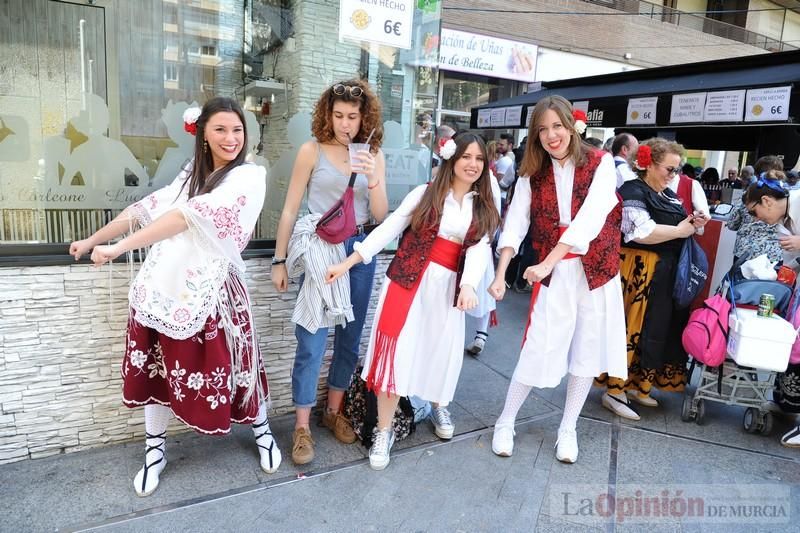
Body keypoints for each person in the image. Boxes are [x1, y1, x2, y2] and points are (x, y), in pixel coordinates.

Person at [68, 97, 282, 496]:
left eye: (237, 130)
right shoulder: (190, 175)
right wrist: (94, 239)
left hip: (215, 289)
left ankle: (263, 432)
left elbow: (186, 217)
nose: (230, 138)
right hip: (164, 286)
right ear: (201, 134)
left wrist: (117, 249)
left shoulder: (250, 177)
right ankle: (154, 450)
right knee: (157, 367)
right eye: (220, 129)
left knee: (239, 364)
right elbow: (147, 208)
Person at [325, 133, 500, 469]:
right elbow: (389, 227)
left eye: (479, 159)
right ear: (452, 158)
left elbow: (478, 251)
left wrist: (468, 286)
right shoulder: (425, 195)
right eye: (466, 156)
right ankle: (384, 430)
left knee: (439, 350)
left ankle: (437, 404)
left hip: (449, 290)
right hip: (408, 283)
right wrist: (349, 262)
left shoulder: (483, 207)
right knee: (398, 355)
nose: (472, 164)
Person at [488, 96, 627, 464]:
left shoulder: (601, 163)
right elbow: (515, 222)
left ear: (571, 125)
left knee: (586, 349)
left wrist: (547, 262)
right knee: (539, 346)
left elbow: (590, 220)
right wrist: (501, 273)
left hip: (595, 271)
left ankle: (568, 428)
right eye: (543, 129)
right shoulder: (533, 172)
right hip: (556, 275)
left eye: (557, 126)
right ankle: (506, 420)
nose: (551, 135)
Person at [271, 80, 388, 465]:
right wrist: (279, 259)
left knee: (350, 339)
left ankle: (333, 410)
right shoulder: (312, 151)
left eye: (352, 116)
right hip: (321, 249)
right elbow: (290, 209)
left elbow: (383, 216)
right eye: (338, 115)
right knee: (312, 340)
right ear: (327, 114)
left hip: (359, 250)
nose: (344, 124)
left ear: (364, 117)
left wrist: (371, 176)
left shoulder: (373, 154)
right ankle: (302, 427)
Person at [596, 138, 707, 420]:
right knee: (632, 329)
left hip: (663, 274)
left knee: (654, 330)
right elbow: (641, 232)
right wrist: (682, 230)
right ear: (648, 164)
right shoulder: (633, 189)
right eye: (669, 169)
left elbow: (676, 226)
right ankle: (614, 389)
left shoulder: (667, 194)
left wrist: (694, 224)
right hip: (638, 273)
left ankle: (638, 386)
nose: (674, 175)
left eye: (676, 169)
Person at [740, 171, 800, 450]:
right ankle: (785, 402)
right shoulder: (783, 219)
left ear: (766, 200)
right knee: (793, 344)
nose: (757, 218)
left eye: (756, 212)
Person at [727, 156, 785, 265]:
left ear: (757, 174)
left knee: (740, 282)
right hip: (773, 257)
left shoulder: (749, 194)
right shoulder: (786, 196)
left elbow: (732, 224)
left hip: (744, 254)